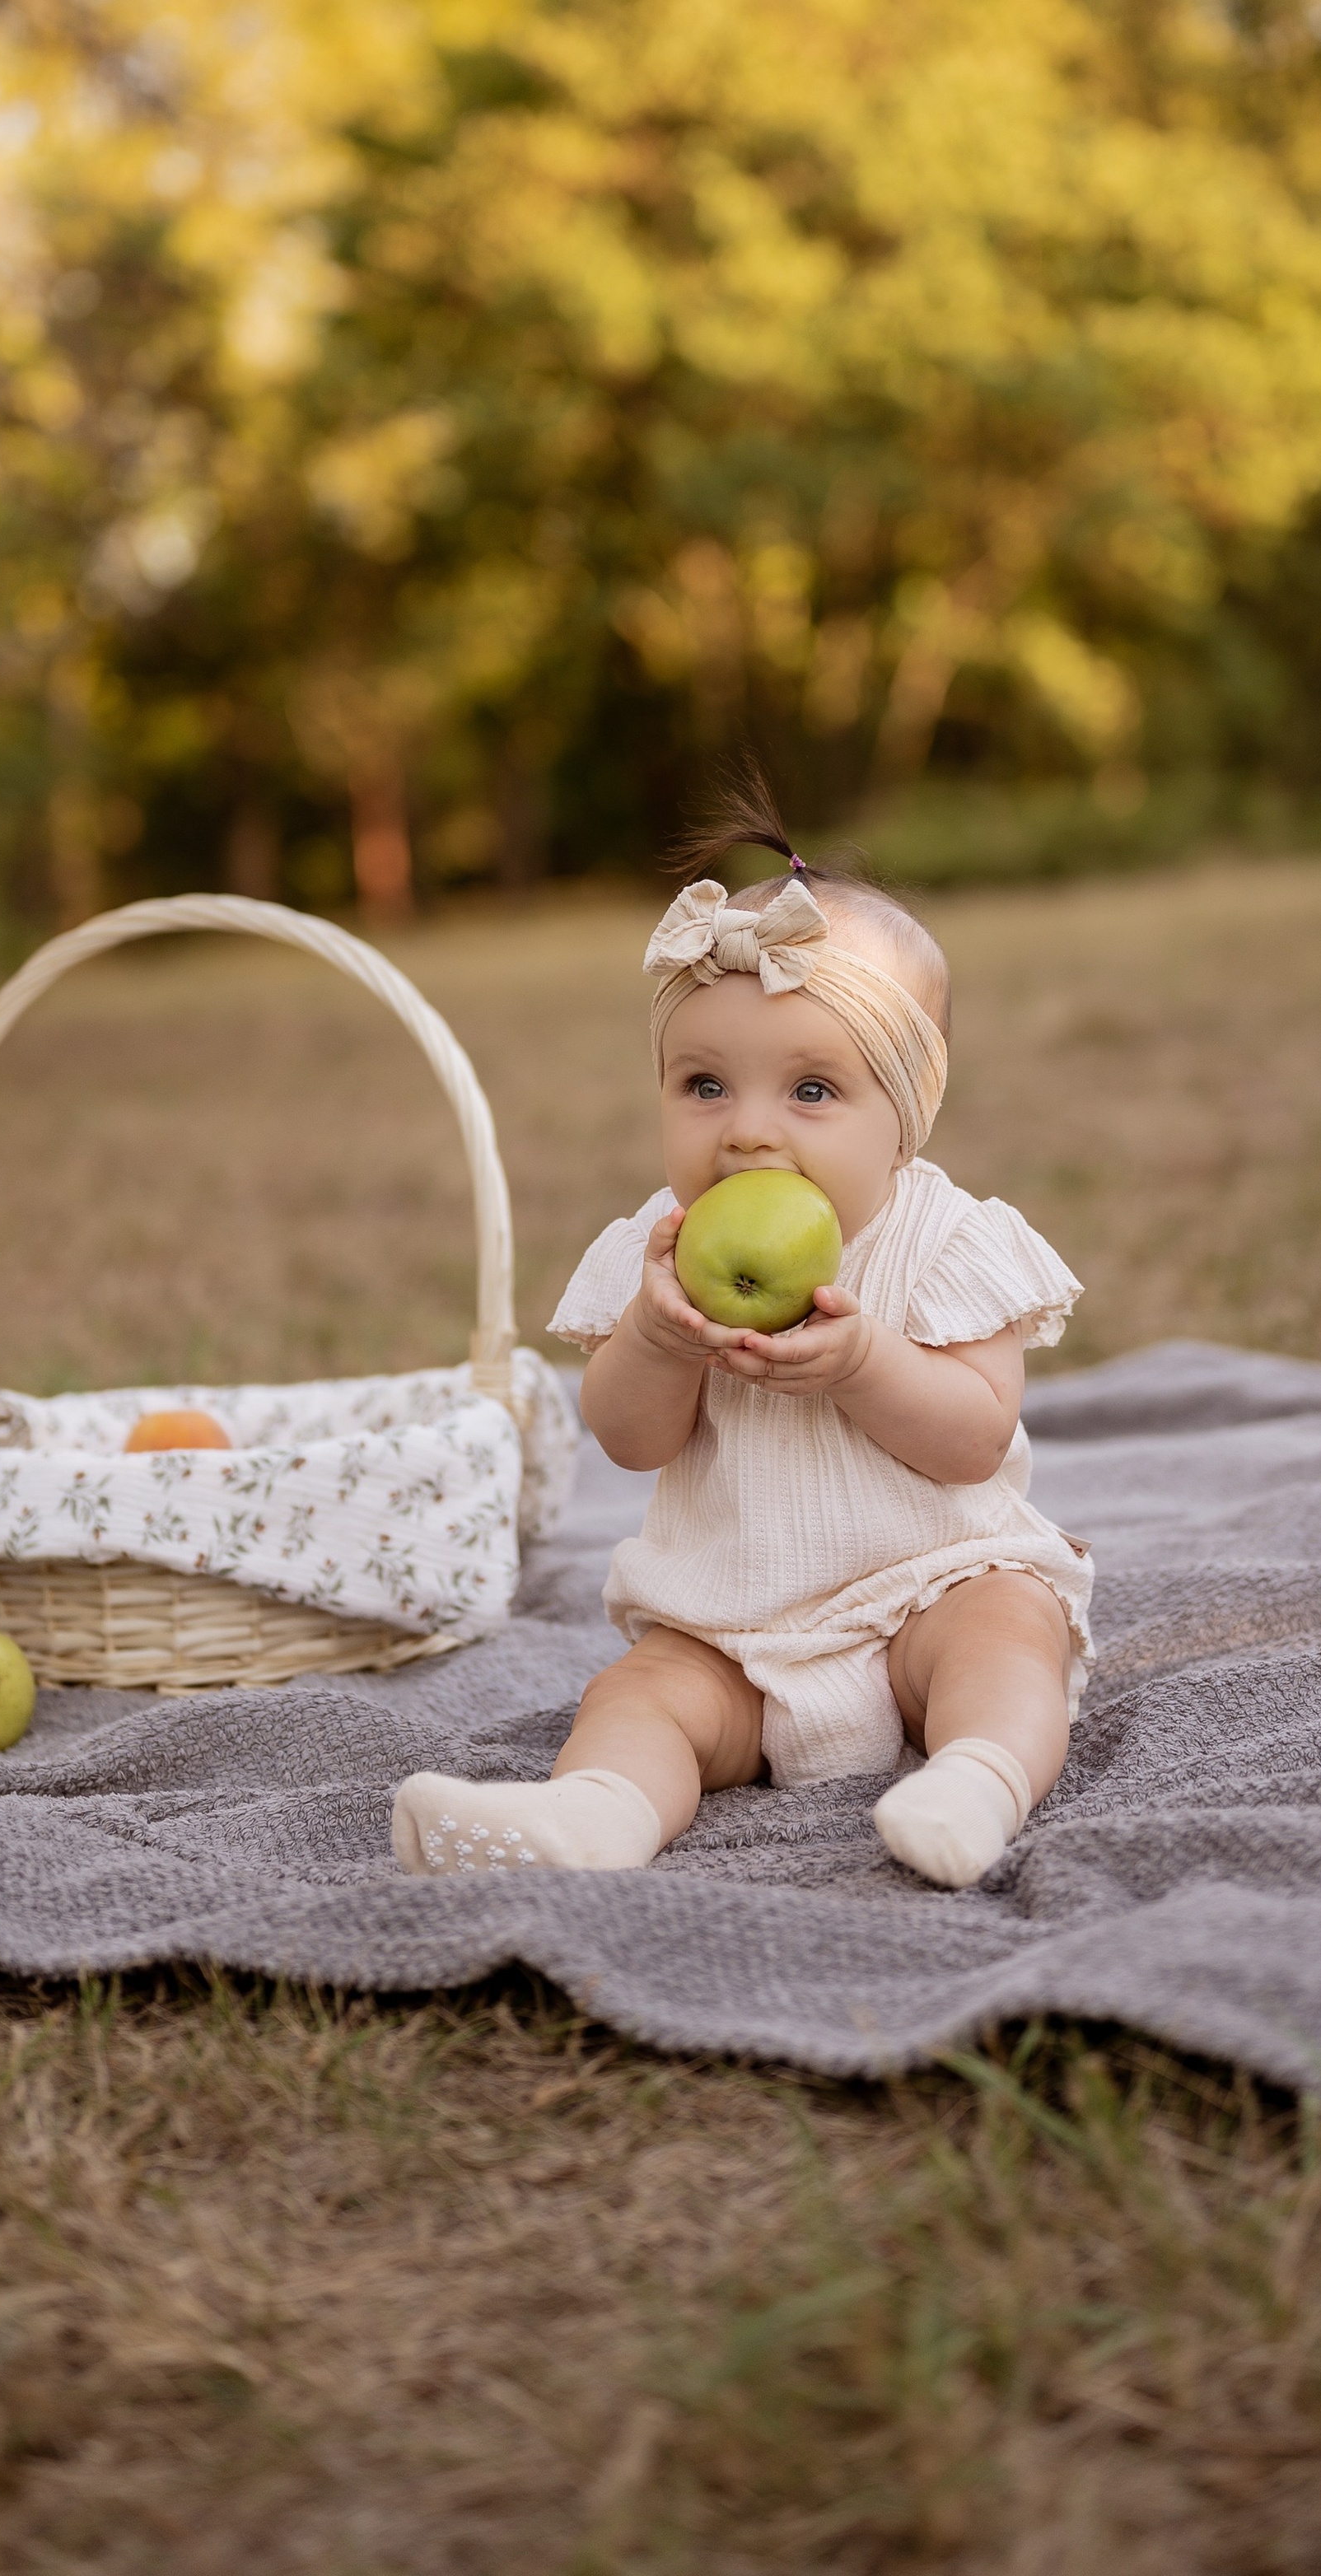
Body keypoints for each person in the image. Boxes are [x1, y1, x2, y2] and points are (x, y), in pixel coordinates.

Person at [390, 777, 1092, 1891]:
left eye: (812, 1090)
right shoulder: (657, 1253)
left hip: (927, 1588)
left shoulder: (949, 1240)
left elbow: (974, 1439)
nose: (748, 1131)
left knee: (1007, 1632)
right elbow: (627, 1440)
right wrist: (657, 1344)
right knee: (642, 1695)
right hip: (735, 1631)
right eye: (704, 1085)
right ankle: (595, 1817)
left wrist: (866, 1364)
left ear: (904, 1116)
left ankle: (978, 1780)